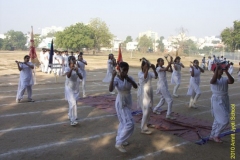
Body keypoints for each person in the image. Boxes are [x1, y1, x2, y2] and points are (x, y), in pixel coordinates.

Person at [109, 62, 138, 153]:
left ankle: (121, 138)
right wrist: (113, 77)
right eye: (123, 70)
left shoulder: (129, 78)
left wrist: (128, 78)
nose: (125, 71)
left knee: (123, 121)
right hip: (121, 102)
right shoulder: (117, 79)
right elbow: (110, 89)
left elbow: (135, 86)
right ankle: (119, 142)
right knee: (130, 123)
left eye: (126, 70)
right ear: (119, 69)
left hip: (128, 100)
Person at [209, 64, 234, 142]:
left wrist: (226, 71)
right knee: (225, 120)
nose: (221, 70)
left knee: (217, 119)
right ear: (215, 71)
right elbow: (213, 81)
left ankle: (212, 135)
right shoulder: (213, 79)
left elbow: (232, 81)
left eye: (221, 69)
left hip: (224, 99)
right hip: (216, 100)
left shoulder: (224, 79)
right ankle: (216, 135)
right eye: (219, 69)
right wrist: (217, 69)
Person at [137, 58, 157, 135]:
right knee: (146, 109)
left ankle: (147, 123)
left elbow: (155, 76)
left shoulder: (149, 73)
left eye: (147, 66)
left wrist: (154, 69)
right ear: (142, 66)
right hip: (143, 91)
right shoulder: (140, 73)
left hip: (149, 90)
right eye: (145, 66)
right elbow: (145, 77)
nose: (147, 67)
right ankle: (143, 128)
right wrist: (147, 69)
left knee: (150, 107)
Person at [64, 56, 83, 126]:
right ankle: (73, 120)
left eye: (74, 61)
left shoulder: (77, 69)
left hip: (75, 87)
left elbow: (81, 77)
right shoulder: (67, 68)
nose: (74, 63)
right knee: (73, 103)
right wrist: (71, 69)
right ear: (69, 62)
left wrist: (77, 71)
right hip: (69, 87)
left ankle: (70, 114)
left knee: (74, 102)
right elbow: (68, 76)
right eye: (73, 61)